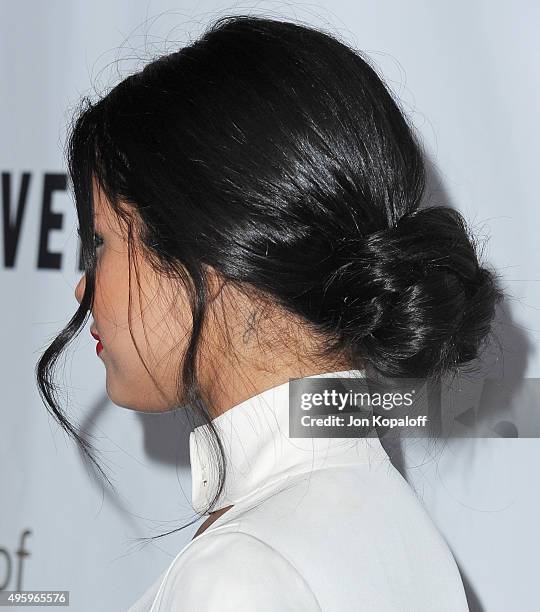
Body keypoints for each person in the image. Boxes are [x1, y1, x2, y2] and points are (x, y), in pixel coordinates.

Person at [36, 14, 503, 611]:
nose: (83, 290)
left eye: (100, 243)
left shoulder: (239, 576)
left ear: (211, 251)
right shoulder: (400, 534)